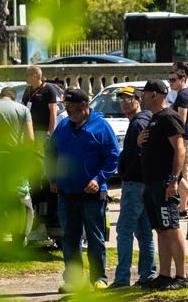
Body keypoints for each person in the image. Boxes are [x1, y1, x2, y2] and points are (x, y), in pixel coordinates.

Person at [51, 88, 120, 290]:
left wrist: (99, 179)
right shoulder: (63, 125)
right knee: (70, 238)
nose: (66, 110)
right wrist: (52, 178)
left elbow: (113, 156)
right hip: (66, 193)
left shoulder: (101, 126)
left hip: (92, 194)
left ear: (83, 106)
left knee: (95, 237)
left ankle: (99, 278)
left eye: (70, 106)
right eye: (65, 105)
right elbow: (51, 153)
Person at [138, 79, 188, 289]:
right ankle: (164, 274)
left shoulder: (169, 117)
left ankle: (182, 276)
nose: (142, 98)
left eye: (145, 93)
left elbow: (180, 149)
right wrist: (139, 142)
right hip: (151, 183)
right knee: (161, 229)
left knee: (171, 228)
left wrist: (173, 180)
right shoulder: (154, 119)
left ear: (154, 95)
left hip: (164, 183)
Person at [111, 87, 156, 288]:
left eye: (128, 99)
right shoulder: (141, 121)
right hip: (142, 184)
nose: (124, 102)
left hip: (135, 184)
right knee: (144, 232)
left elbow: (142, 155)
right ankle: (147, 275)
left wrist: (126, 170)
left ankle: (122, 279)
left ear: (138, 101)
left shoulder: (138, 123)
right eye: (121, 99)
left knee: (124, 231)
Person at [22, 65, 61, 244]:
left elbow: (53, 112)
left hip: (43, 132)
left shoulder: (48, 90)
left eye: (27, 75)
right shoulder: (28, 91)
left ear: (35, 76)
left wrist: (52, 134)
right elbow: (23, 109)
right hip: (30, 132)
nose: (25, 78)